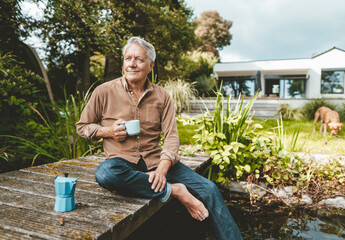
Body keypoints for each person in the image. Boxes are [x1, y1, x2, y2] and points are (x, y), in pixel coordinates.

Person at [76, 36, 243, 240]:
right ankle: (176, 191)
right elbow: (83, 127)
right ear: (123, 63)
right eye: (128, 58)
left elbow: (171, 137)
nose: (132, 63)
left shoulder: (162, 96)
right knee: (106, 174)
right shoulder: (103, 91)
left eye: (139, 59)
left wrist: (162, 170)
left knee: (209, 189)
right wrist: (108, 131)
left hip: (156, 161)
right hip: (121, 162)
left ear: (150, 65)